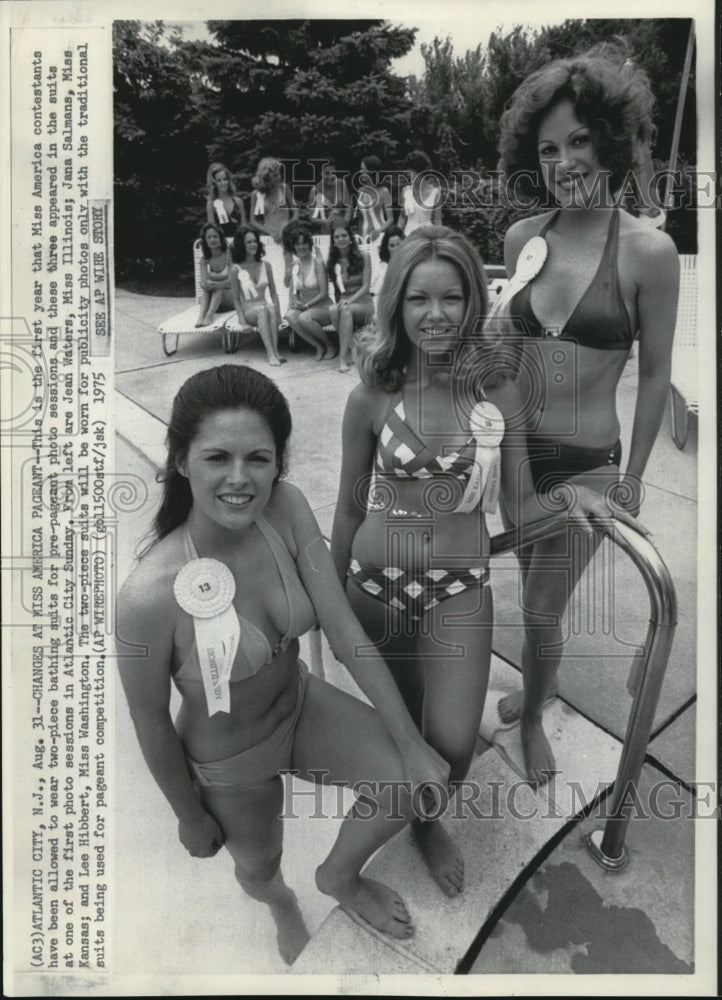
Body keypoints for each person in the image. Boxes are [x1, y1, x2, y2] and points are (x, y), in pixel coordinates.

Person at [330, 226, 634, 897]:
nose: (434, 314)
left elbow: (521, 510)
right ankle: (422, 825)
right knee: (405, 735)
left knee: (455, 743)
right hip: (373, 588)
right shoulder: (372, 396)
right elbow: (349, 510)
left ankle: (430, 813)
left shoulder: (497, 394)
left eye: (450, 297)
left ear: (474, 303)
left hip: (459, 590)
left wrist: (579, 494)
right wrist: (325, 602)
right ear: (396, 306)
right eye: (417, 299)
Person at [117, 365, 450, 965]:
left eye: (260, 459)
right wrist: (188, 815)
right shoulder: (146, 596)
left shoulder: (289, 509)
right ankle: (283, 906)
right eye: (217, 458)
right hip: (230, 761)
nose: (240, 480)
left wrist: (411, 740)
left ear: (279, 463)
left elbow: (346, 633)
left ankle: (339, 878)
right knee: (260, 867)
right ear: (182, 461)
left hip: (300, 705)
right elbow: (150, 720)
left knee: (406, 781)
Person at [495, 49, 679, 784]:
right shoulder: (522, 241)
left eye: (578, 140)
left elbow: (658, 372)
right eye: (546, 149)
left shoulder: (647, 252)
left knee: (541, 607)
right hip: (517, 459)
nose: (564, 160)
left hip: (589, 467)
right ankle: (536, 688)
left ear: (609, 137)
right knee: (526, 593)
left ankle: (537, 714)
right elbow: (503, 355)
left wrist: (632, 481)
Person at [229, 226, 284, 367]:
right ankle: (271, 354)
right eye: (248, 242)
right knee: (263, 309)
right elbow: (236, 298)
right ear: (241, 244)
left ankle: (276, 351)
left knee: (270, 307)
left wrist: (278, 315)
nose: (253, 244)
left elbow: (273, 293)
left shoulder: (266, 265)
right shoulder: (236, 269)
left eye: (255, 241)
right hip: (249, 311)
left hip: (265, 307)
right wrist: (242, 320)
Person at [283, 223, 336, 360]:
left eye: (304, 243)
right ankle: (317, 346)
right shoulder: (295, 264)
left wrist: (306, 306)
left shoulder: (317, 263)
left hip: (323, 306)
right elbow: (288, 286)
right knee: (289, 316)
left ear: (309, 244)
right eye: (298, 244)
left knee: (303, 318)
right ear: (294, 246)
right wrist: (288, 273)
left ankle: (330, 345)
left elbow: (324, 293)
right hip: (304, 307)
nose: (301, 247)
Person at [327, 221, 374, 372]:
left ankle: (342, 358)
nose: (341, 239)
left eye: (344, 235)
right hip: (346, 302)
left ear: (350, 237)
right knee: (333, 310)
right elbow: (337, 291)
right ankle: (352, 348)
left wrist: (349, 301)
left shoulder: (364, 256)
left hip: (363, 302)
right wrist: (339, 303)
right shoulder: (332, 262)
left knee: (345, 310)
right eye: (337, 237)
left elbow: (366, 286)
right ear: (333, 241)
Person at [249, 157, 297, 244]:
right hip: (267, 237)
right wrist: (270, 233)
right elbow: (253, 220)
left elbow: (296, 213)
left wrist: (286, 229)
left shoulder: (284, 188)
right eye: (275, 175)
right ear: (266, 177)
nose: (279, 177)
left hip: (286, 235)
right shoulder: (256, 194)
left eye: (279, 174)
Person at [195, 222, 234, 328]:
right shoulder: (204, 260)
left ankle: (209, 316)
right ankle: (201, 315)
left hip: (231, 300)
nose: (212, 239)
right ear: (206, 241)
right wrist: (205, 285)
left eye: (215, 236)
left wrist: (216, 285)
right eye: (209, 237)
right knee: (207, 288)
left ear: (220, 239)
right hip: (214, 303)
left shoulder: (228, 256)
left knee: (218, 288)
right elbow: (203, 283)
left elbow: (232, 283)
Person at [398, 151, 442, 234]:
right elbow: (402, 217)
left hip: (427, 235)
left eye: (411, 172)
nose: (408, 175)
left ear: (421, 172)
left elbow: (438, 222)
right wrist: (395, 234)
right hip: (408, 235)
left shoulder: (435, 193)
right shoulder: (406, 191)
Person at [353, 155, 393, 242]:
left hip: (379, 234)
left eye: (363, 169)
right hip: (363, 236)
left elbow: (390, 219)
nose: (360, 172)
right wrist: (358, 236)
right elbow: (360, 219)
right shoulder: (360, 191)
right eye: (361, 169)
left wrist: (379, 231)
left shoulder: (384, 191)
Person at [308, 157, 352, 234]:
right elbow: (311, 217)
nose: (330, 176)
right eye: (327, 173)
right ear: (321, 173)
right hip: (326, 229)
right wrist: (326, 222)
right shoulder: (314, 190)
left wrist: (345, 222)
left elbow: (348, 206)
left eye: (333, 173)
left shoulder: (342, 184)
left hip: (343, 228)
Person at [206, 162, 246, 243]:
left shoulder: (238, 201)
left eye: (225, 179)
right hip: (220, 244)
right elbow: (212, 229)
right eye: (219, 180)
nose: (223, 183)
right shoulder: (211, 204)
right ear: (215, 183)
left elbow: (243, 225)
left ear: (228, 180)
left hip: (238, 243)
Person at [373, 225, 406, 296]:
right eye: (392, 246)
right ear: (387, 248)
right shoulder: (383, 268)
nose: (396, 249)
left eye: (399, 245)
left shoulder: (410, 263)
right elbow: (377, 291)